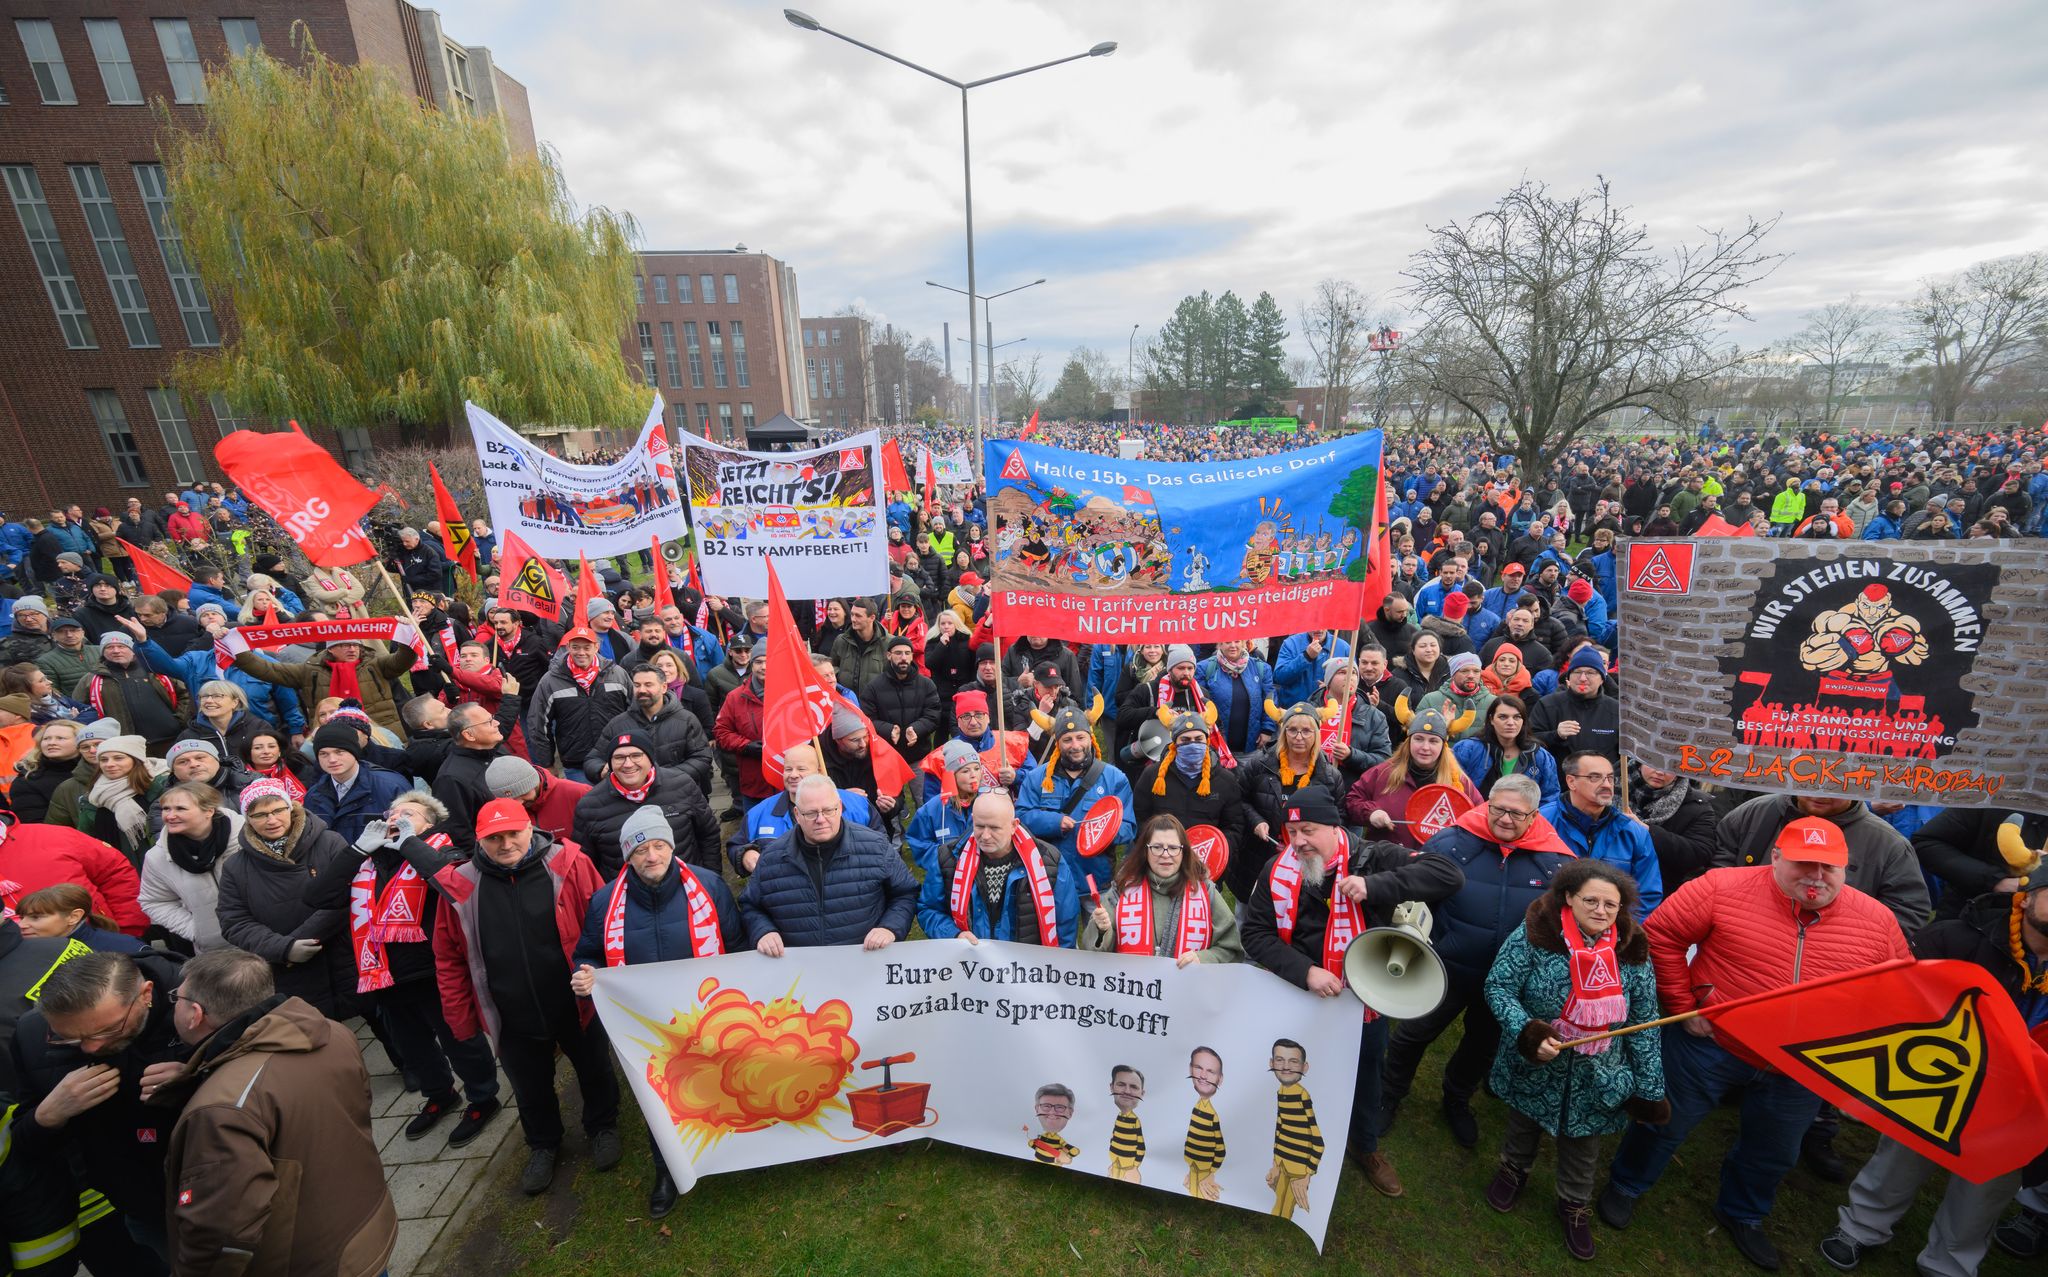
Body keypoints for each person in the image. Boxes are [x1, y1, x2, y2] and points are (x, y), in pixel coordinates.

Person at [1599, 818, 1912, 1270]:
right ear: (1777, 857)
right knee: (1665, 1120)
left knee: (1775, 1149)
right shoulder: (1720, 888)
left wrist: (1850, 1042)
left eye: (1830, 868)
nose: (1817, 877)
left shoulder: (1877, 922)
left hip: (1801, 1065)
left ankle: (1743, 1213)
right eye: (1805, 864)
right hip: (1714, 1044)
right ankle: (1627, 1184)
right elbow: (1661, 936)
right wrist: (1685, 1003)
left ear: (1847, 868)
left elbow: (1896, 987)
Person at [1820, 860, 2047, 1275]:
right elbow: (1898, 1003)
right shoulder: (1957, 938)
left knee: (1987, 1186)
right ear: (2028, 896)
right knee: (1902, 1157)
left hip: (2020, 1102)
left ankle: (1951, 1264)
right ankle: (1861, 1227)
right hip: (1939, 1078)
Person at [1238, 786, 1464, 1199]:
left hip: (1365, 999)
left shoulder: (1373, 856)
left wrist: (1375, 887)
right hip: (1298, 991)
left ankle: (1365, 1147)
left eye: (1308, 829)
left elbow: (1448, 875)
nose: (1299, 841)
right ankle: (1275, 1138)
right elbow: (1255, 934)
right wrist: (1306, 972)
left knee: (1366, 1072)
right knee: (1288, 1069)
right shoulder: (1276, 868)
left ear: (1334, 825)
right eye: (1292, 831)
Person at [156, 947, 398, 1276]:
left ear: (194, 1014)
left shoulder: (224, 1107)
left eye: (177, 998)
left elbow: (223, 1231)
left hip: (312, 1264)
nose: (175, 1005)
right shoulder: (331, 1031)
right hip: (367, 1230)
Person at [429, 798, 619, 1196]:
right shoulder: (460, 883)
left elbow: (606, 920)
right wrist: (460, 1018)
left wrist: (606, 979)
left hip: (575, 1002)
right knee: (529, 1086)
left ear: (529, 827)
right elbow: (447, 955)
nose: (505, 844)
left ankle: (602, 1126)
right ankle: (543, 1144)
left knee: (595, 1068)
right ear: (479, 840)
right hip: (509, 1010)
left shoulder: (570, 863)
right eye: (493, 838)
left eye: (513, 833)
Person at [1380, 774, 1577, 1148]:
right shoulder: (1451, 843)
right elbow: (1416, 896)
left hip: (1503, 985)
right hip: (1445, 969)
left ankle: (1456, 1099)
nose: (1504, 819)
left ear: (1534, 816)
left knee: (1481, 1047)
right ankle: (1389, 1093)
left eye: (1516, 814)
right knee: (1412, 1034)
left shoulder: (1557, 865)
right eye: (1497, 809)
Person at [1482, 861, 1666, 1260]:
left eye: (1611, 905)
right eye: (1592, 901)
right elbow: (1499, 986)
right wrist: (1529, 1032)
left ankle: (1574, 1203)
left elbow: (1645, 1020)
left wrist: (1650, 1089)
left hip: (1597, 1073)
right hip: (1537, 1061)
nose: (1601, 911)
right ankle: (1513, 1170)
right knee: (1523, 1122)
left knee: (1584, 1144)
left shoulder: (1632, 949)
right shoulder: (1537, 933)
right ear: (1568, 897)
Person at [570, 805, 744, 1216]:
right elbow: (588, 954)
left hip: (708, 1014)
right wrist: (584, 978)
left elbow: (736, 946)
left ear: (672, 845)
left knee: (726, 1086)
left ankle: (734, 1156)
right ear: (627, 857)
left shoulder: (710, 886)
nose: (653, 856)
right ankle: (666, 1169)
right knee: (660, 1099)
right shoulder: (603, 903)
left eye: (660, 845)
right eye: (642, 849)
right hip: (645, 1027)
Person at [308, 791, 504, 1147]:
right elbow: (317, 896)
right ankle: (440, 1094)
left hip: (432, 970)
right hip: (383, 974)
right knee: (411, 1045)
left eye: (409, 813)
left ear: (428, 822)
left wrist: (411, 843)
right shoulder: (368, 862)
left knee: (459, 1040)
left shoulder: (443, 849)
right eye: (392, 812)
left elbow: (453, 886)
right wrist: (357, 851)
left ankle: (483, 1097)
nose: (396, 817)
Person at [9, 948, 190, 1270]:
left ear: (146, 994)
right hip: (136, 1204)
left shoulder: (202, 1003)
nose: (91, 1047)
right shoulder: (32, 1033)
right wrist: (47, 1117)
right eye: (70, 1039)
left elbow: (277, 1082)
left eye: (108, 1031)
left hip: (214, 1194)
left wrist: (201, 1076)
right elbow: (27, 1143)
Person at [740, 774, 917, 953]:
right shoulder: (772, 857)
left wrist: (890, 927)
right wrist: (763, 931)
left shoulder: (876, 847)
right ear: (797, 814)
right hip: (797, 972)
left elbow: (906, 893)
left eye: (828, 810)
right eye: (810, 813)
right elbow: (750, 906)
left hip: (865, 964)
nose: (820, 819)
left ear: (840, 807)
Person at [1715, 792, 1931, 933]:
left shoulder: (1887, 843)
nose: (1820, 791)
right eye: (1809, 774)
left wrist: (1846, 940)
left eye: (1836, 783)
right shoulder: (1753, 814)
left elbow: (1909, 909)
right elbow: (1716, 865)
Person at [916, 790, 1079, 947]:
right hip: (971, 965)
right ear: (972, 820)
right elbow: (928, 909)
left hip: (1026, 968)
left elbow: (1065, 922)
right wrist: (953, 934)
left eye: (994, 828)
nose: (985, 836)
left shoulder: (1049, 861)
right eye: (979, 826)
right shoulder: (948, 858)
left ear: (1014, 825)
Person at [1082, 814, 1244, 964]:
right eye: (1157, 847)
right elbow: (1094, 951)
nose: (1165, 854)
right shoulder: (1123, 887)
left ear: (1184, 851)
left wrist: (1204, 958)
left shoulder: (1204, 891)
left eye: (1173, 848)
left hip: (1189, 989)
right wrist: (1102, 931)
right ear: (1145, 851)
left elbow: (1231, 949)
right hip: (1135, 990)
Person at [1132, 711, 1253, 900]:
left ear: (1207, 741)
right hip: (1161, 864)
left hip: (1206, 868)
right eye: (1185, 740)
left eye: (1198, 739)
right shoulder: (1152, 776)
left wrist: (1217, 853)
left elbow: (1234, 826)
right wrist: (1156, 850)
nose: (1193, 744)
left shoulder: (1226, 781)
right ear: (1174, 744)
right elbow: (1140, 818)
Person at [571, 729, 721, 880]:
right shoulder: (589, 806)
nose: (628, 764)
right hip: (626, 897)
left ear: (650, 758)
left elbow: (708, 835)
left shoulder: (682, 785)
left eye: (636, 755)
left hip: (687, 885)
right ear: (610, 763)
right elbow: (585, 864)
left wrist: (711, 879)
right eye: (619, 757)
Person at [1015, 704, 1134, 890]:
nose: (1075, 745)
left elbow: (1128, 827)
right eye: (1067, 740)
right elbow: (1020, 818)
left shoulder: (1114, 778)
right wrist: (1054, 822)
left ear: (1091, 737)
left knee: (1097, 921)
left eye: (1080, 737)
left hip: (1095, 878)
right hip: (1049, 877)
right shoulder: (1037, 778)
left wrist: (1100, 832)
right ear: (1057, 742)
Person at [1539, 752, 1665, 917]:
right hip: (1550, 930)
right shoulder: (1541, 822)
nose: (1606, 784)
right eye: (1595, 777)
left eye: (1610, 778)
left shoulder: (1633, 832)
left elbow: (1647, 895)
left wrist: (1619, 932)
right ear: (1571, 781)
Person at [231, 633, 419, 740]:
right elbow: (267, 669)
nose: (352, 649)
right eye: (344, 645)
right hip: (331, 738)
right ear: (330, 649)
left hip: (382, 734)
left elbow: (405, 658)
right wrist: (236, 649)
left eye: (355, 645)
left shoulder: (377, 665)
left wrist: (405, 635)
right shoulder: (309, 671)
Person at [1342, 708, 1482, 850]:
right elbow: (1352, 800)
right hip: (1386, 863)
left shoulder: (1460, 783)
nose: (1425, 747)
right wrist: (1371, 813)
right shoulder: (1383, 772)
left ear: (1443, 745)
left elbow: (1480, 819)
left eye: (1433, 741)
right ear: (1409, 741)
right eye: (1418, 739)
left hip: (1435, 865)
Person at [728, 742, 872, 876]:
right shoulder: (759, 813)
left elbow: (880, 843)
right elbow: (736, 846)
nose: (793, 775)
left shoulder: (857, 806)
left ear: (819, 771)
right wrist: (745, 855)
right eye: (788, 769)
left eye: (801, 769)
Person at [583, 662, 714, 794]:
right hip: (632, 801)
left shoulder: (686, 720)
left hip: (679, 794)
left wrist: (664, 778)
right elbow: (592, 759)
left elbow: (702, 758)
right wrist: (600, 770)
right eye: (637, 685)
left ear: (663, 687)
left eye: (648, 685)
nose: (642, 690)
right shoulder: (617, 724)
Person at [527, 628, 633, 781]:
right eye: (575, 647)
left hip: (618, 759)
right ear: (568, 647)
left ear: (596, 647)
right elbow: (538, 725)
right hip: (577, 764)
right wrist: (547, 763)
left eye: (586, 647)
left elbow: (634, 712)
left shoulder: (617, 674)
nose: (581, 652)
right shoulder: (550, 680)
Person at [302, 720, 412, 845]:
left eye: (339, 752)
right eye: (323, 754)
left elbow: (411, 835)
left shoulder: (391, 786)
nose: (332, 759)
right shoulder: (313, 796)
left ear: (354, 752)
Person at [73, 631, 187, 750]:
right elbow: (80, 707)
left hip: (170, 739)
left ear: (133, 650)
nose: (116, 651)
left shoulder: (155, 669)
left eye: (121, 646)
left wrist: (179, 720)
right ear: (103, 652)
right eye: (109, 647)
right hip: (123, 744)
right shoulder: (92, 679)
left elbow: (185, 693)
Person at [1625, 761, 1719, 893]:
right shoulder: (1610, 789)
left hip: (1657, 892)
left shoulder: (1698, 807)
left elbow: (1701, 852)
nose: (1660, 772)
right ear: (1639, 763)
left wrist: (1648, 832)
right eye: (1653, 763)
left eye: (1670, 767)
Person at [1452, 693, 1559, 806]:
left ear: (1523, 721)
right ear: (1491, 719)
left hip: (1522, 821)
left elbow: (1549, 799)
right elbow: (1452, 788)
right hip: (1474, 819)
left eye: (1517, 717)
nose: (1510, 723)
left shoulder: (1539, 756)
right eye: (1503, 717)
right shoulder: (1467, 749)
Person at [1528, 646, 1619, 766]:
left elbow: (1626, 755)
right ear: (1568, 677)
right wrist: (1556, 735)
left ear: (1602, 679)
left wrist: (1610, 776)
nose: (1582, 678)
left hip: (1603, 782)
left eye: (1590, 673)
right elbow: (1529, 741)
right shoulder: (1548, 704)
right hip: (1559, 781)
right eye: (1577, 672)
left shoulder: (1616, 710)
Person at [484, 752, 588, 847]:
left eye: (524, 794)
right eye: (510, 799)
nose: (519, 803)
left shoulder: (578, 793)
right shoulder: (496, 811)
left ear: (535, 783)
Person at [864, 636, 941, 763]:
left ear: (912, 656)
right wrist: (889, 730)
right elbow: (867, 719)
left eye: (907, 653)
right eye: (898, 653)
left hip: (919, 754)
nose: (903, 658)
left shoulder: (926, 684)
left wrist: (916, 729)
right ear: (889, 655)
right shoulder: (873, 687)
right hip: (887, 755)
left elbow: (933, 715)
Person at [11, 883, 145, 953]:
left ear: (74, 917)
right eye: (22, 917)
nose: (22, 925)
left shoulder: (127, 949)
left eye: (35, 917)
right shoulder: (20, 950)